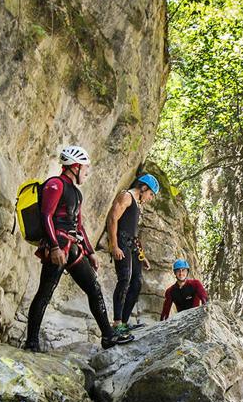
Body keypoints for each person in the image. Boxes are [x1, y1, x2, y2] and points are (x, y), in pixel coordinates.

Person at [24, 145, 133, 352]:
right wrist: (55, 247)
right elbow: (46, 216)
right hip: (57, 250)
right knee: (44, 294)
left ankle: (108, 337)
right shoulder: (55, 185)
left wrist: (90, 252)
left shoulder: (76, 193)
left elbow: (79, 226)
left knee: (94, 288)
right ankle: (31, 343)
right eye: (85, 168)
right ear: (75, 166)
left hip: (72, 249)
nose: (87, 172)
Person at [105, 173, 159, 336]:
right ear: (143, 188)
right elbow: (113, 219)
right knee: (124, 279)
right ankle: (117, 323)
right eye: (150, 194)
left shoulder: (136, 203)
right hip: (121, 243)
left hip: (131, 246)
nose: (150, 198)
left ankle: (125, 322)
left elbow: (133, 234)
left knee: (137, 282)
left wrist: (142, 256)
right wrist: (114, 246)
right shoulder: (126, 196)